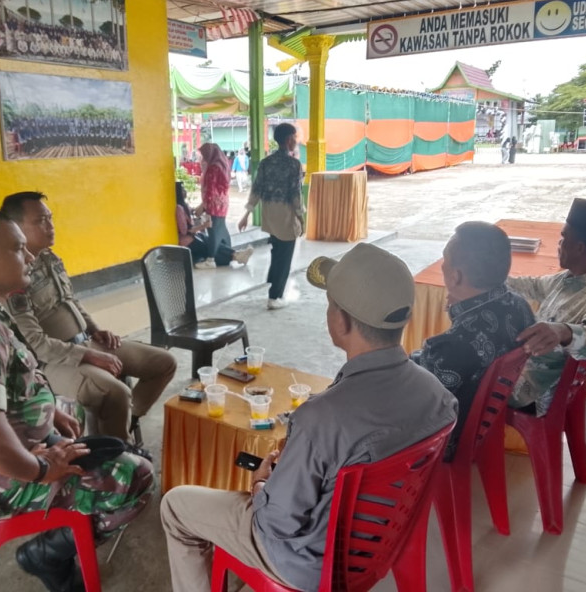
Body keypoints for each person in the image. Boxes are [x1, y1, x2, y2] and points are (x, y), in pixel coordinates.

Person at [160, 243, 458, 592]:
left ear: (341, 320)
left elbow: (277, 524)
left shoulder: (321, 418)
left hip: (309, 565)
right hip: (379, 546)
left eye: (330, 304)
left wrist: (260, 486)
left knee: (175, 505)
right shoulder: (439, 396)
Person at [0, 211, 153, 592]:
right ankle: (48, 553)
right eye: (17, 249)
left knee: (113, 445)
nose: (28, 257)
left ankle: (60, 527)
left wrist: (49, 411)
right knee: (136, 477)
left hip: (18, 446)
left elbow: (4, 386)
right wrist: (43, 471)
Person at [0, 191, 177, 444]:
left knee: (164, 362)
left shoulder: (50, 259)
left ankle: (125, 423)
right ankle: (120, 455)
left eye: (50, 218)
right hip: (53, 362)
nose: (50, 226)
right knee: (114, 392)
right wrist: (90, 355)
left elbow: (71, 301)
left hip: (86, 342)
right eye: (40, 221)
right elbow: (36, 344)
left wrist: (95, 329)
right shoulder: (14, 275)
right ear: (16, 228)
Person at [411, 222, 535, 458]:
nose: (443, 266)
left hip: (450, 437)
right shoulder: (519, 305)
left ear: (456, 276)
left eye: (444, 261)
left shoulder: (454, 345)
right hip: (486, 421)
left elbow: (422, 400)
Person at [509, 198, 586, 416]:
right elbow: (533, 286)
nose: (558, 245)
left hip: (535, 393)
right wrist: (488, 277)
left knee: (457, 383)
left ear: (580, 248)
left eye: (563, 238)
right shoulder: (569, 278)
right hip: (519, 372)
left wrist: (564, 332)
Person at [238, 123, 305, 310]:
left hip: (269, 215)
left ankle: (272, 289)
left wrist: (247, 214)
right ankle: (275, 296)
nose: (296, 141)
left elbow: (256, 189)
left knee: (276, 253)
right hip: (285, 215)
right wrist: (301, 217)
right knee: (284, 258)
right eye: (294, 137)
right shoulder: (294, 164)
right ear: (288, 139)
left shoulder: (265, 163)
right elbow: (295, 194)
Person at [175, 182, 253, 267]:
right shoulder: (179, 208)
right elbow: (184, 232)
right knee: (209, 248)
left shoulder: (184, 205)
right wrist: (203, 226)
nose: (185, 191)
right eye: (182, 190)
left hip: (194, 237)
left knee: (212, 243)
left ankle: (237, 254)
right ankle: (237, 256)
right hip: (187, 242)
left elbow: (194, 212)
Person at [194, 142, 231, 270]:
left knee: (213, 230)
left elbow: (210, 189)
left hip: (213, 203)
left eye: (204, 154)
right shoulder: (223, 165)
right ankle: (229, 254)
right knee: (221, 228)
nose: (203, 157)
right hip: (223, 202)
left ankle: (210, 259)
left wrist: (204, 207)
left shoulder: (212, 168)